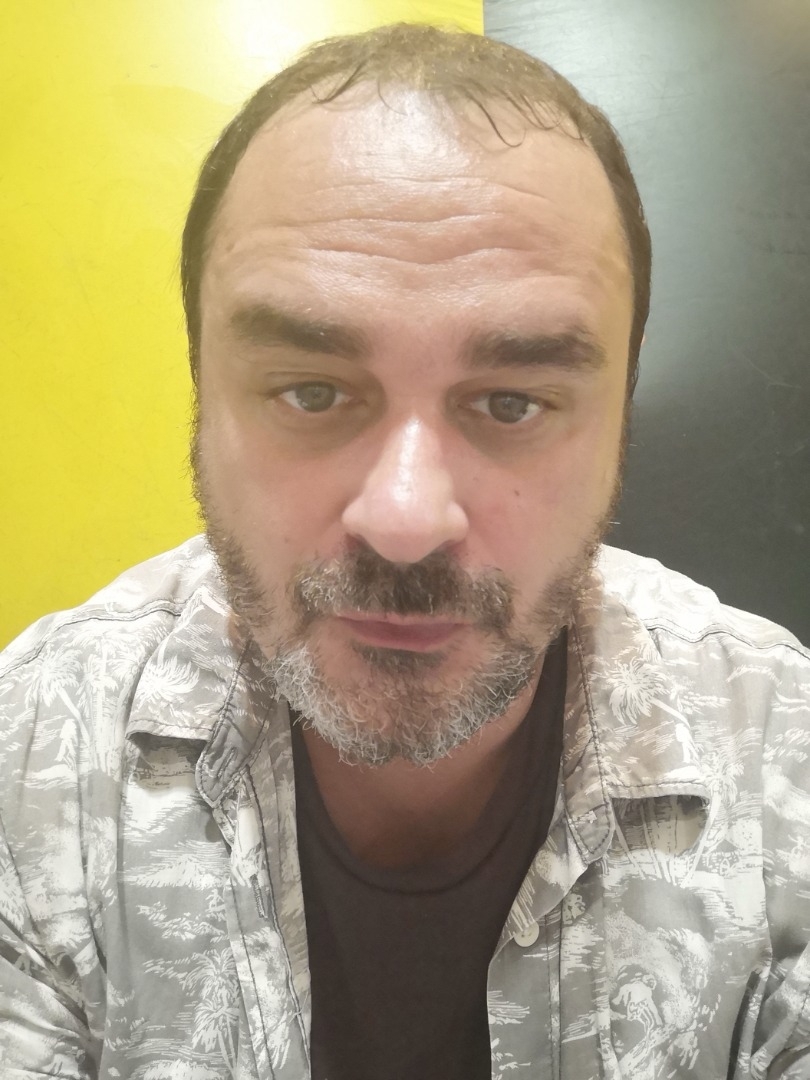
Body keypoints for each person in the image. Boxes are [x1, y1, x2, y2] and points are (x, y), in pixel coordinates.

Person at [1, 21, 808, 1080]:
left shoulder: (783, 762)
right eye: (312, 392)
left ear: (622, 411)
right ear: (203, 390)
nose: (406, 518)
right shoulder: (34, 760)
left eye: (511, 402)